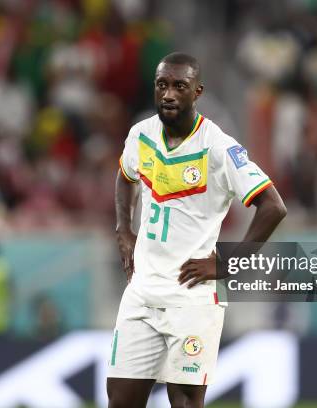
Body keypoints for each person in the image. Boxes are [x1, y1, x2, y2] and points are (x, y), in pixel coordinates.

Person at [109, 52, 287, 408]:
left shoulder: (219, 148)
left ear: (197, 92)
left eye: (180, 86)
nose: (169, 94)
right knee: (120, 401)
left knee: (186, 403)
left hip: (192, 298)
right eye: (162, 85)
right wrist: (123, 228)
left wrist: (227, 263)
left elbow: (273, 206)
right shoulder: (140, 135)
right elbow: (126, 177)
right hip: (142, 292)